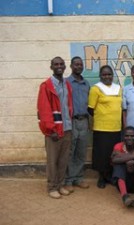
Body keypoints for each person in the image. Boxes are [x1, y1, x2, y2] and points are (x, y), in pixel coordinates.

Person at [37, 56, 73, 199]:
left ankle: (60, 184)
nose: (59, 66)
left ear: (65, 67)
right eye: (56, 64)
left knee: (64, 160)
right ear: (51, 67)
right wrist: (50, 130)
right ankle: (52, 187)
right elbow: (44, 110)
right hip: (53, 131)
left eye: (61, 64)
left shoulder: (66, 84)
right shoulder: (46, 86)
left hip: (67, 129)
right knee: (53, 161)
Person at [88, 65, 122, 189]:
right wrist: (102, 117)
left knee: (112, 153)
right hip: (101, 128)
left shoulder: (118, 88)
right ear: (100, 76)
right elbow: (90, 109)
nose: (107, 77)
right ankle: (102, 177)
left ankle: (110, 176)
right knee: (101, 154)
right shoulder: (96, 89)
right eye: (104, 74)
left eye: (109, 74)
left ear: (112, 75)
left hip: (116, 127)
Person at [64, 56, 90, 193]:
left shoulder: (86, 84)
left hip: (84, 121)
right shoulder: (66, 82)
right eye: (76, 64)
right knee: (70, 151)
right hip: (71, 121)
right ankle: (68, 180)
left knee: (81, 151)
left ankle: (78, 178)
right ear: (71, 66)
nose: (79, 67)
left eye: (81, 64)